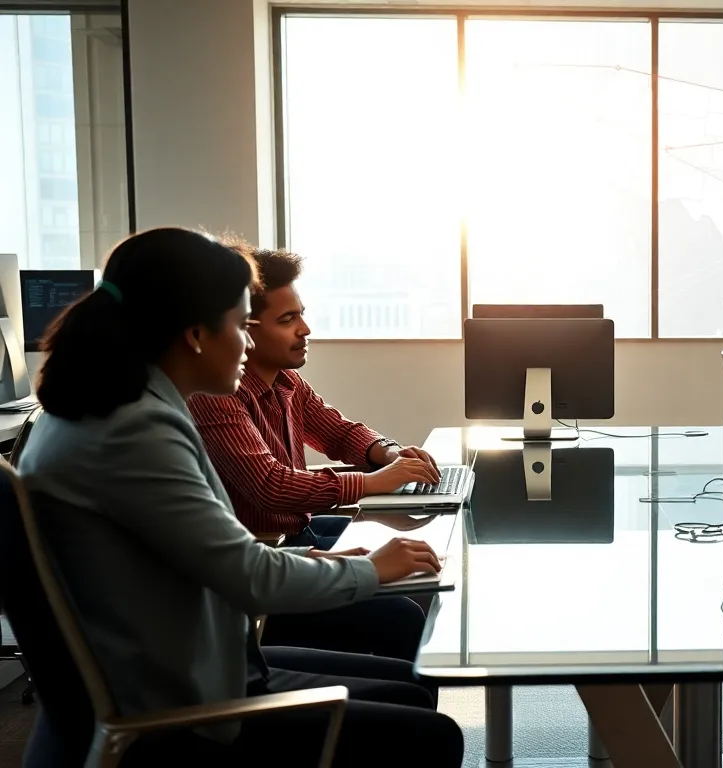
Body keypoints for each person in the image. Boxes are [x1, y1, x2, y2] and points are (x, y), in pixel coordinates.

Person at [17, 228, 464, 767]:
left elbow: (209, 554)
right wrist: (371, 572)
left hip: (186, 667)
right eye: (239, 324)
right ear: (196, 334)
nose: (248, 342)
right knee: (429, 735)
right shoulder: (138, 430)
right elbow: (248, 574)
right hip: (183, 707)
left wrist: (327, 559)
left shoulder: (116, 409)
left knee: (411, 692)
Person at [187, 244, 438, 662]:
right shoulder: (214, 396)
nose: (305, 329)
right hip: (263, 563)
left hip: (294, 537)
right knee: (402, 614)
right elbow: (270, 486)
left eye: (301, 314)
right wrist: (372, 483)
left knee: (420, 568)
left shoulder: (286, 381)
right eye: (288, 320)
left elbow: (339, 433)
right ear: (243, 328)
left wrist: (387, 453)